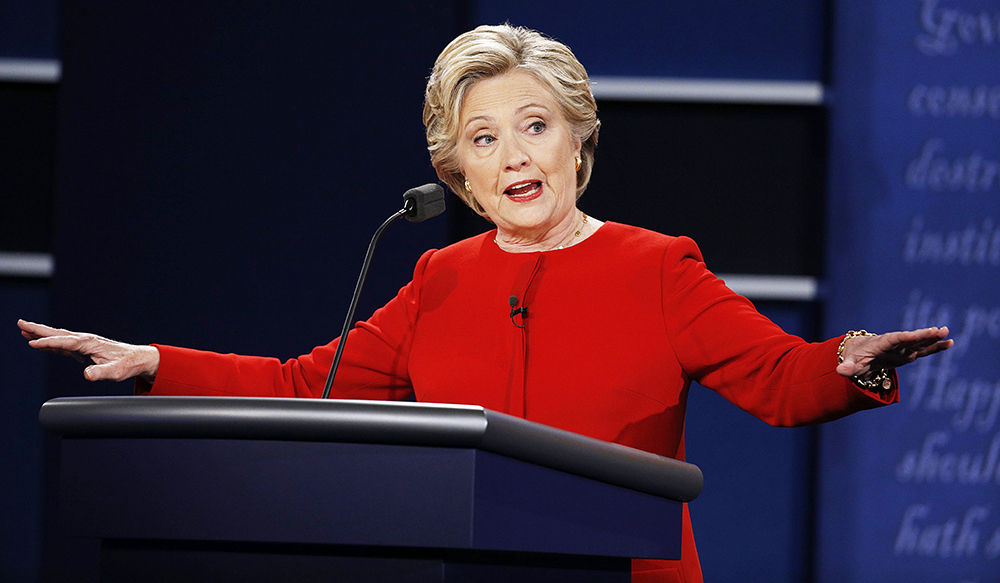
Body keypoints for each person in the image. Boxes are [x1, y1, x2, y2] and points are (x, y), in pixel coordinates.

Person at [19, 24, 952, 583]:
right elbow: (313, 385)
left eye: (535, 127)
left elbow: (777, 376)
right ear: (456, 171)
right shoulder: (440, 278)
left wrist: (853, 357)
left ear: (576, 143)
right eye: (484, 137)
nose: (514, 156)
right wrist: (155, 361)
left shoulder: (656, 266)